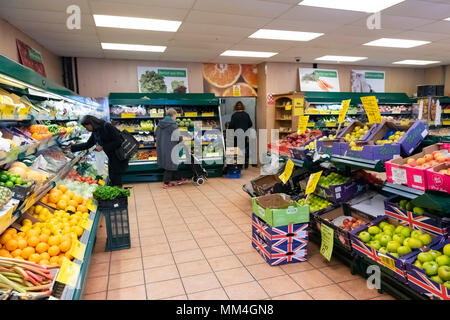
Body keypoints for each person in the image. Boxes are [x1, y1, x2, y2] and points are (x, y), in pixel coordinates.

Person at [70, 115, 128, 187]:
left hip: (119, 157)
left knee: (116, 180)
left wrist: (103, 147)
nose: (86, 129)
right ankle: (117, 195)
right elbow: (88, 144)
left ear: (91, 124)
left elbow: (119, 141)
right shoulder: (95, 131)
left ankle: (119, 196)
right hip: (111, 157)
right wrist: (71, 148)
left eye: (86, 127)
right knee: (113, 178)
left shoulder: (107, 126)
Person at [155, 108, 186, 189]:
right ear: (173, 115)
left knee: (171, 164)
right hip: (171, 147)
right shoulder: (172, 125)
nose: (176, 118)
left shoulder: (159, 124)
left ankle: (179, 179)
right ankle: (166, 183)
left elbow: (156, 134)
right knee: (170, 165)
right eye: (176, 116)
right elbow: (178, 137)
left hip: (162, 147)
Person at [228, 101, 253, 169]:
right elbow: (250, 124)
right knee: (244, 149)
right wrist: (245, 128)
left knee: (237, 149)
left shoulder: (234, 115)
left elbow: (231, 126)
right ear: (243, 107)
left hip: (236, 135)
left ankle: (239, 165)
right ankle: (245, 164)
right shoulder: (246, 115)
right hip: (244, 135)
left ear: (235, 107)